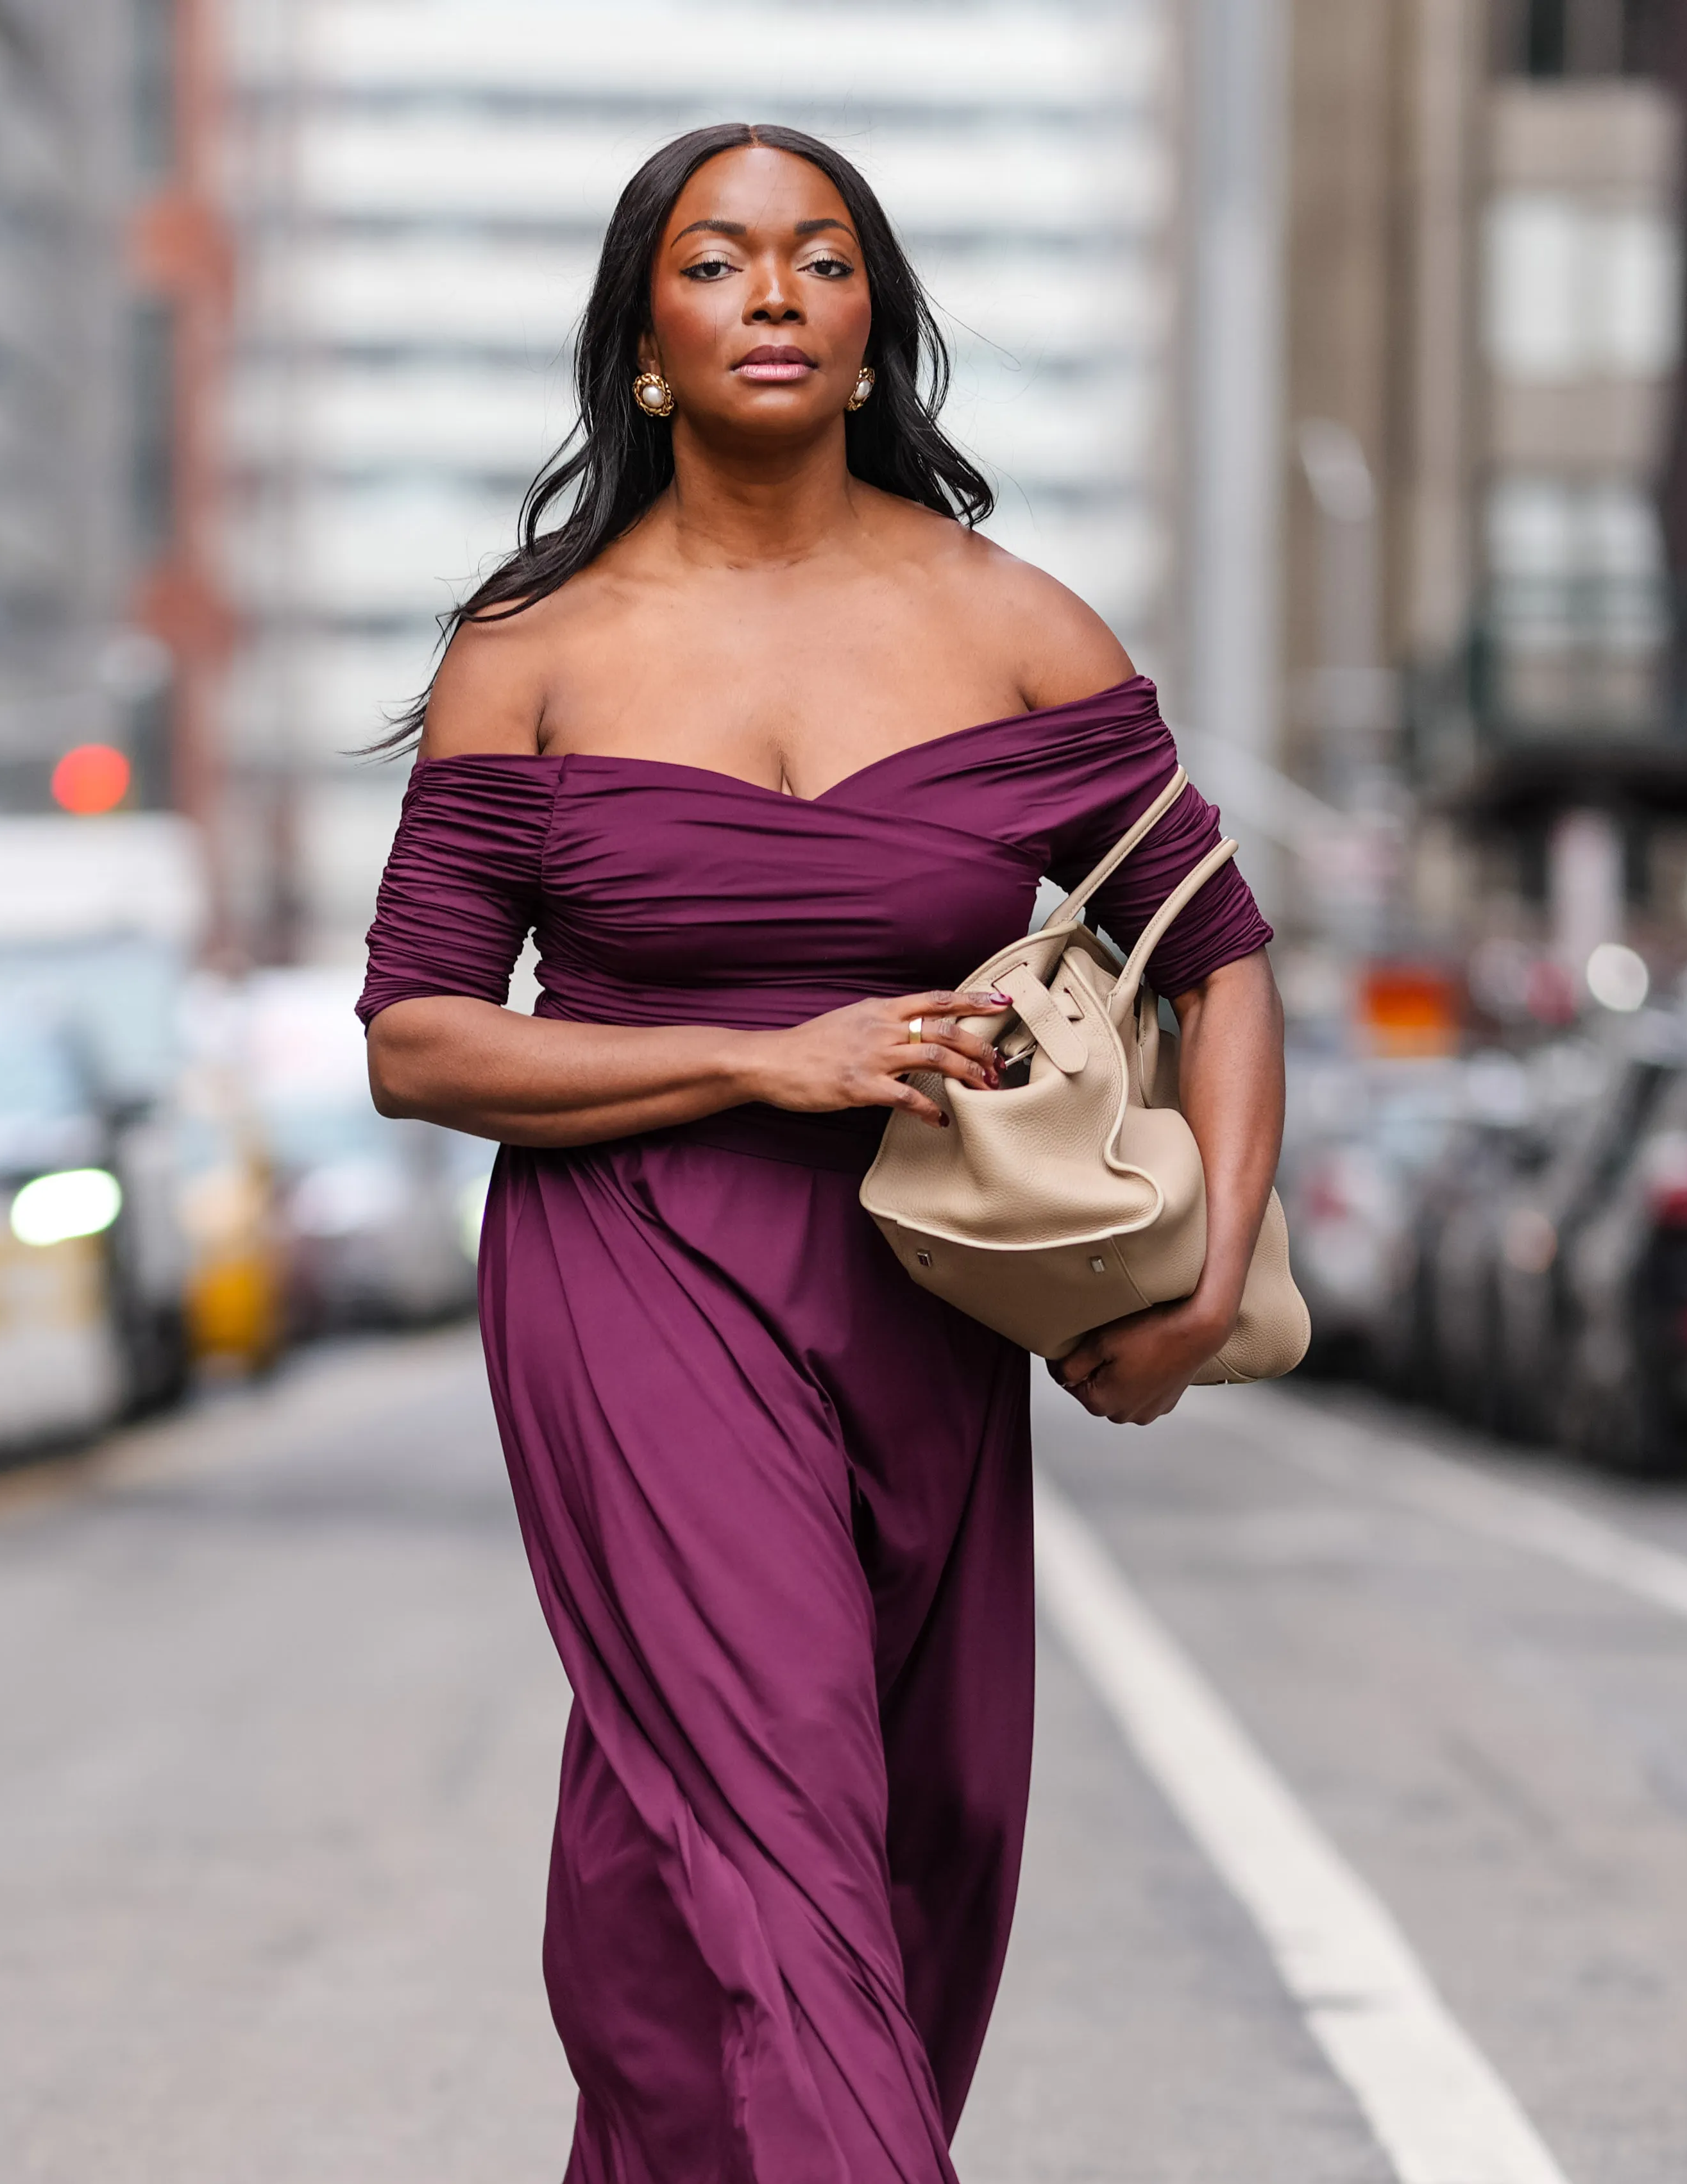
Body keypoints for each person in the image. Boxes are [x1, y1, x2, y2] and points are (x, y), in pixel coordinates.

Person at [358, 121, 1283, 2183]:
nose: (772, 291)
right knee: (775, 1799)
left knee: (908, 1818)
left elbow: (1217, 958)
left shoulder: (1020, 628)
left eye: (819, 258)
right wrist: (759, 1057)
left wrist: (1205, 1278)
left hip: (922, 1288)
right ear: (645, 349)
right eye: (715, 261)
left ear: (874, 333)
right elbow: (418, 1040)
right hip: (635, 1271)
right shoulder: (531, 652)